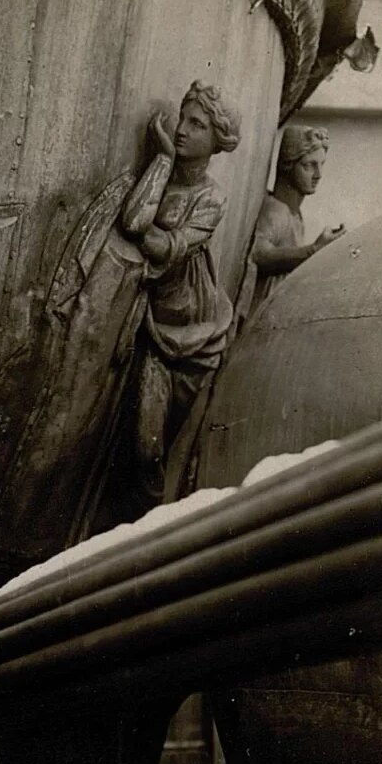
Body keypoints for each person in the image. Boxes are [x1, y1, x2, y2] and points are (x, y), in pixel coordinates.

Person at [124, 81, 241, 500]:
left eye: (198, 124)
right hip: (152, 322)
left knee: (154, 450)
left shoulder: (212, 198)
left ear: (218, 139)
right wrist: (161, 162)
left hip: (192, 332)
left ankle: (142, 521)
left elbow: (159, 244)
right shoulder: (163, 176)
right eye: (183, 118)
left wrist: (151, 232)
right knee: (142, 446)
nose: (182, 129)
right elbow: (134, 221)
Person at [242, 124, 344, 321]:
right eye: (309, 165)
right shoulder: (276, 210)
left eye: (321, 164)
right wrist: (312, 250)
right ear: (288, 165)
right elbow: (258, 253)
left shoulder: (294, 214)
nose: (318, 174)